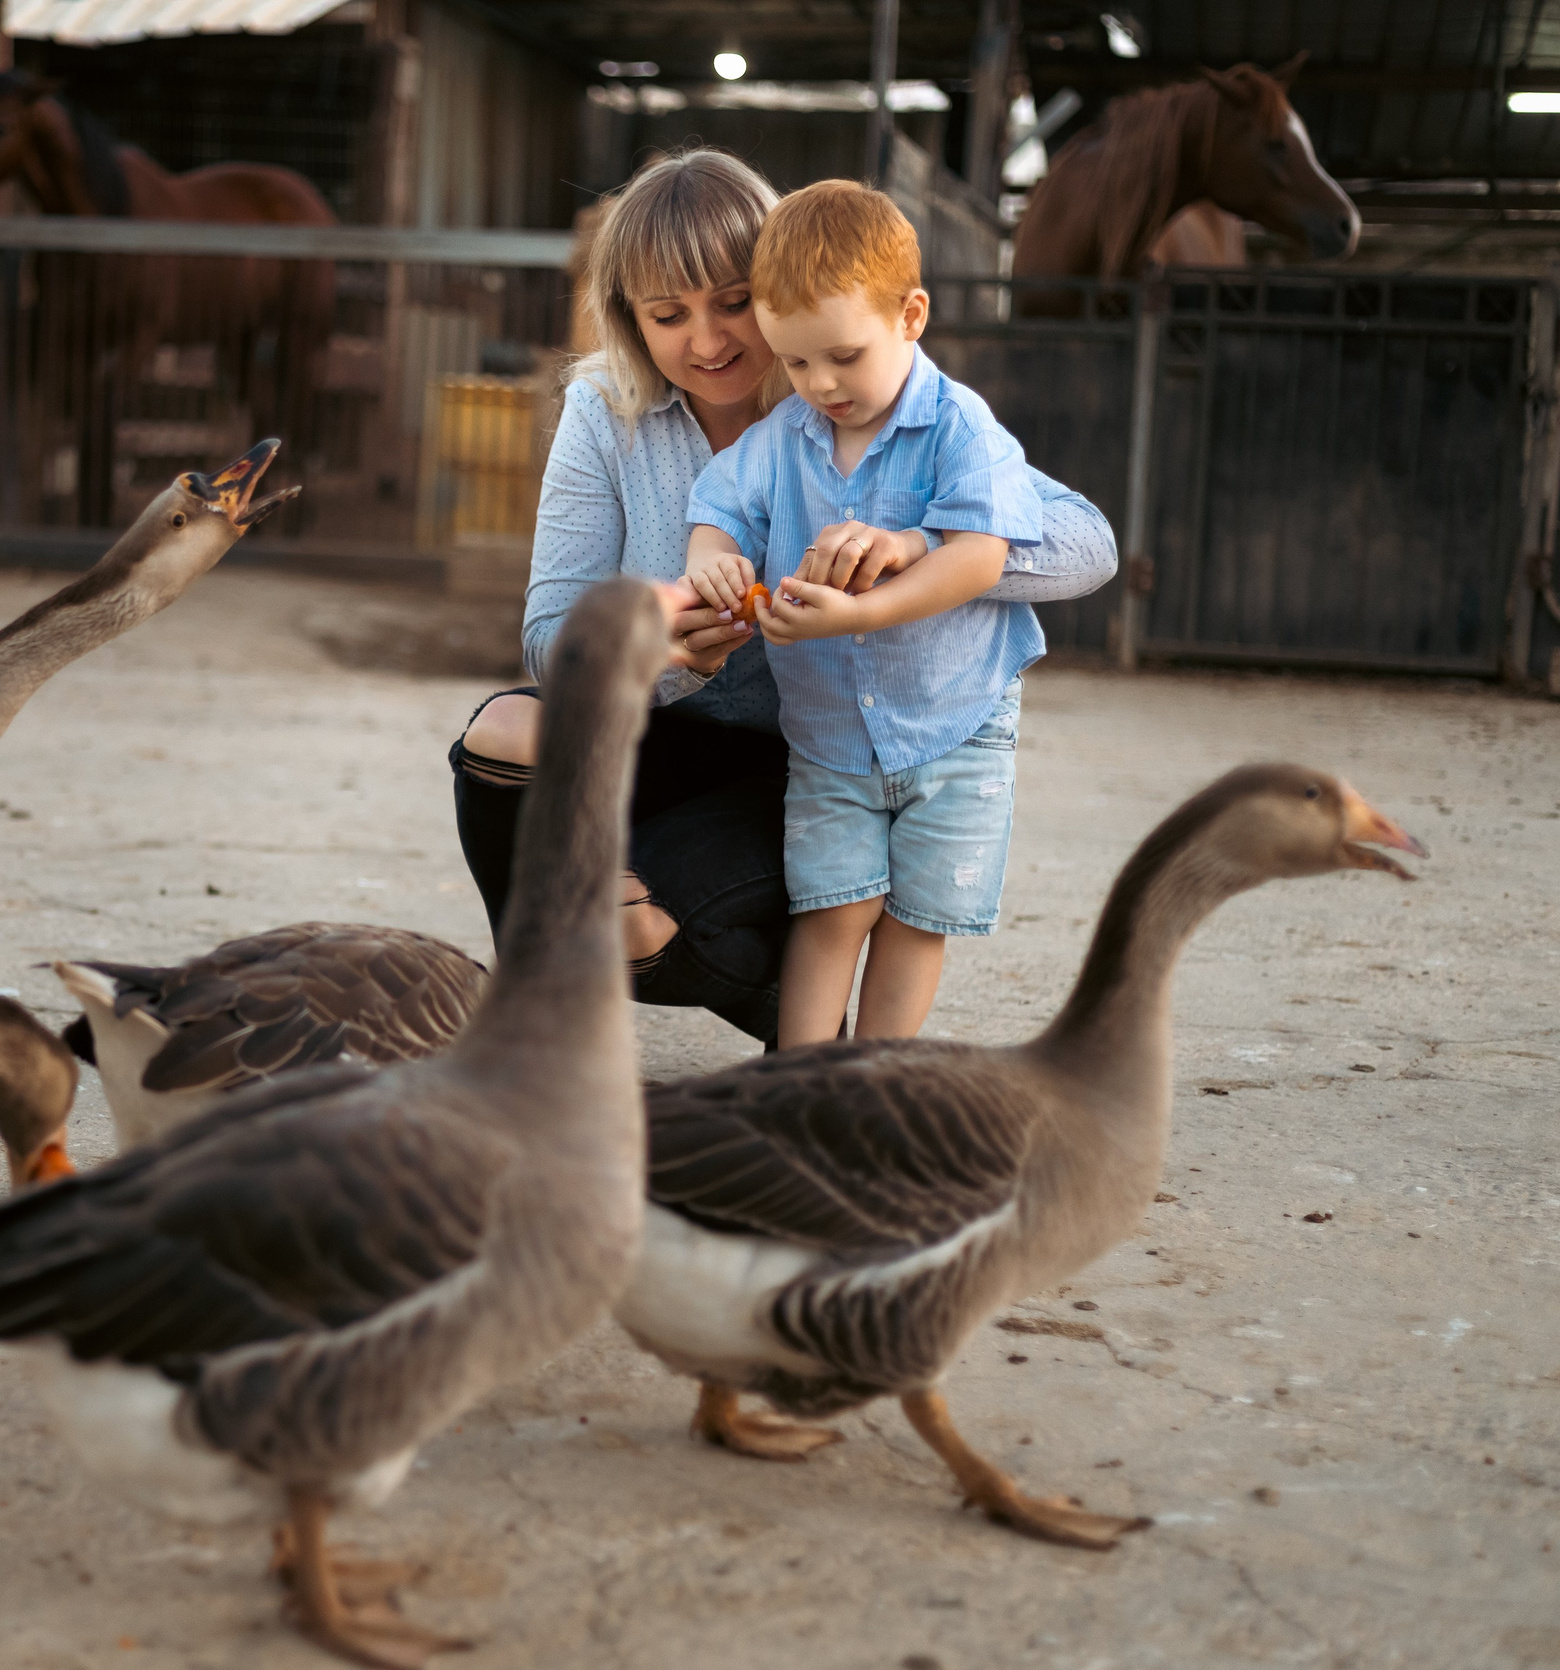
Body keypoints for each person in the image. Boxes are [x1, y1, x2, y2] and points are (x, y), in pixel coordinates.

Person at [449, 151, 1116, 1045]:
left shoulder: (856, 394)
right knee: (505, 730)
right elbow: (547, 640)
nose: (709, 340)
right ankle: (532, 1018)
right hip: (662, 728)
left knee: (632, 926)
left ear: (775, 286)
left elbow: (1087, 543)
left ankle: (811, 1045)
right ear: (629, 319)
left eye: (731, 301)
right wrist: (655, 644)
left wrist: (913, 551)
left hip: (811, 751)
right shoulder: (601, 411)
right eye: (667, 314)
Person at [686, 178, 1038, 1048]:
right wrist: (716, 564)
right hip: (830, 733)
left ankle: (874, 1084)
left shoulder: (961, 426)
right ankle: (799, 1084)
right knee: (833, 907)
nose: (820, 383)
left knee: (917, 918)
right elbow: (716, 514)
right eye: (796, 362)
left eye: (843, 355)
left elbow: (981, 554)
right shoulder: (778, 441)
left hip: (956, 722)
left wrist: (857, 616)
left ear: (910, 316)